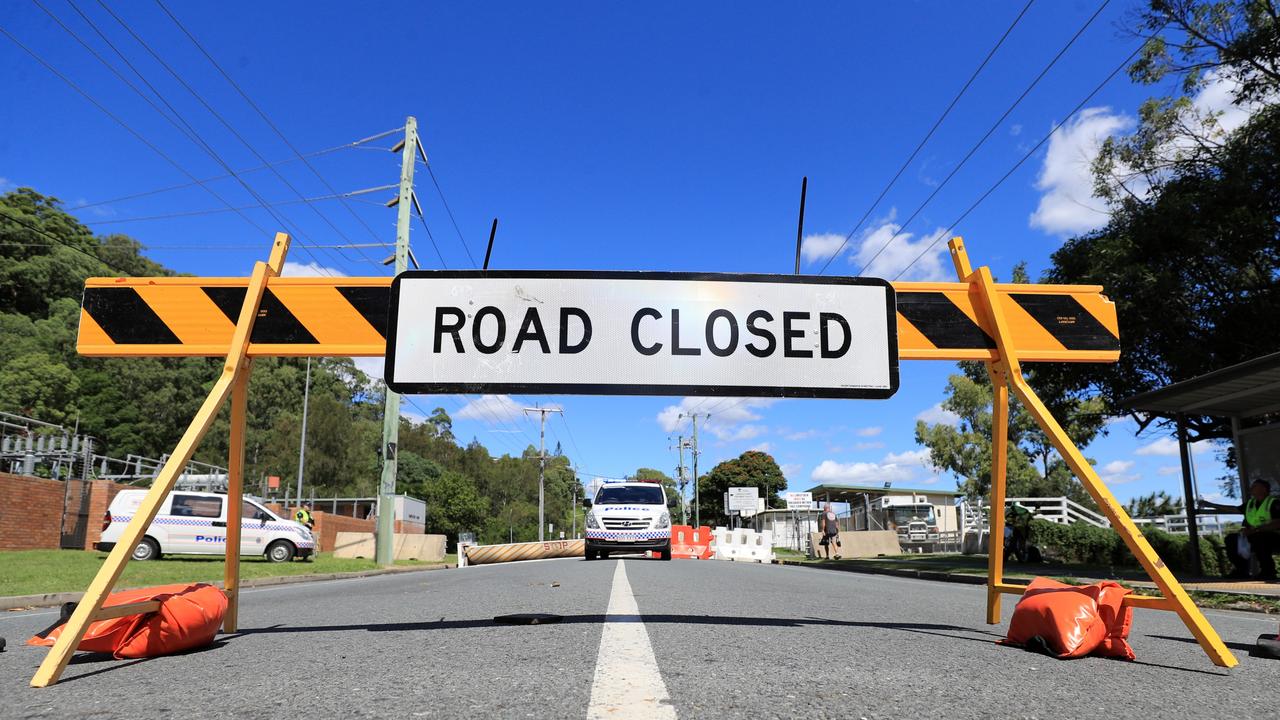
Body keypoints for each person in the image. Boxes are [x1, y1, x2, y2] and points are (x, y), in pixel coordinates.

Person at [1201, 480, 1280, 581]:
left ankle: (1268, 572)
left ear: (1264, 489)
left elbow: (1277, 523)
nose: (1251, 489)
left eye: (1254, 486)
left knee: (1260, 538)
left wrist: (1256, 530)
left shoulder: (1274, 503)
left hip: (1273, 537)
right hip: (1254, 535)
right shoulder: (1250, 504)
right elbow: (1233, 509)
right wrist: (1212, 505)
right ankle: (1241, 570)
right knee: (1231, 539)